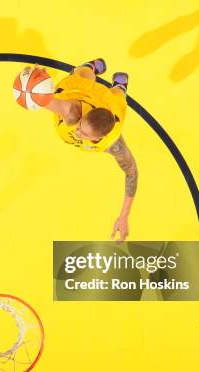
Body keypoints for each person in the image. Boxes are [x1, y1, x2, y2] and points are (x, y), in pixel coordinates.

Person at [26, 59, 138, 242]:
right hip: (85, 93)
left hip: (109, 102)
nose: (77, 132)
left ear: (96, 139)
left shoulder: (113, 142)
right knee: (82, 75)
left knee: (118, 94)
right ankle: (91, 67)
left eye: (84, 133)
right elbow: (39, 98)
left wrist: (124, 215)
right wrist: (36, 81)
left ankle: (120, 87)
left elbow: (132, 173)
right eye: (80, 126)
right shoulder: (71, 111)